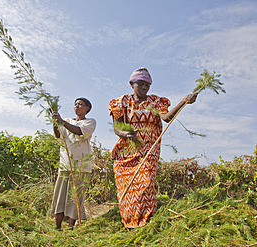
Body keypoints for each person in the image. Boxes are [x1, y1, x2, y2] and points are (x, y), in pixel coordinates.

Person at [108, 67, 197, 229]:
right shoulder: (122, 102)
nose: (144, 87)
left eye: (147, 85)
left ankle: (146, 225)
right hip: (126, 154)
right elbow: (117, 128)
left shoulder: (155, 102)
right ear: (132, 84)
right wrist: (129, 134)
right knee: (127, 192)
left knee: (146, 186)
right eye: (140, 84)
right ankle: (130, 225)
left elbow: (166, 118)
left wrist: (184, 101)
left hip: (148, 152)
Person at [50, 97, 96, 230]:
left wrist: (62, 122)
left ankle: (71, 227)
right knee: (60, 196)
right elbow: (58, 135)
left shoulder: (90, 122)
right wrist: (55, 122)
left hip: (81, 165)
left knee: (76, 197)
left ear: (87, 108)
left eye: (80, 104)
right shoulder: (69, 121)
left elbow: (79, 131)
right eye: (75, 104)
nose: (77, 106)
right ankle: (57, 227)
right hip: (65, 163)